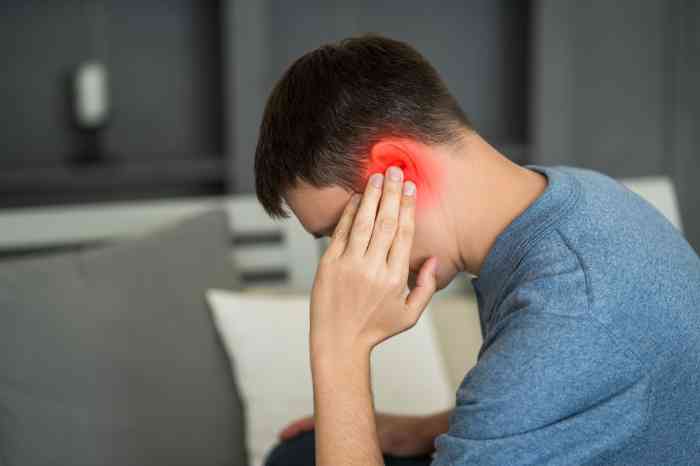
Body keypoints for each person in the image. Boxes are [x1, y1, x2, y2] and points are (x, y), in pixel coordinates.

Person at [253, 35, 700, 466]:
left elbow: (559, 357)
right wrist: (436, 428)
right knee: (300, 454)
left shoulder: (565, 312)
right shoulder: (585, 197)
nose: (346, 260)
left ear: (397, 169)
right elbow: (593, 399)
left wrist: (339, 350)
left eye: (341, 229)